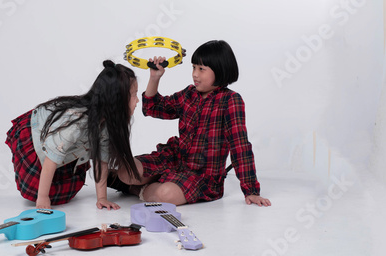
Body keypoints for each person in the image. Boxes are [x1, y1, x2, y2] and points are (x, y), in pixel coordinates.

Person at [112, 40, 271, 207]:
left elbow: (240, 146)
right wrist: (154, 78)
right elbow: (153, 108)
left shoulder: (231, 100)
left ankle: (137, 190)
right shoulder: (189, 93)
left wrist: (251, 190)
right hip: (175, 160)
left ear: (220, 70)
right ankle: (141, 182)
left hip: (201, 175)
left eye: (201, 69)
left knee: (165, 195)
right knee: (126, 171)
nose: (195, 74)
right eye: (194, 67)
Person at [5, 60, 140, 210]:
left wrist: (102, 198)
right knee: (35, 189)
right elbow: (51, 158)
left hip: (64, 146)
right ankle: (42, 191)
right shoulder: (76, 124)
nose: (137, 100)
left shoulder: (106, 125)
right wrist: (42, 198)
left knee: (68, 191)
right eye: (134, 95)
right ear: (116, 101)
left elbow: (101, 160)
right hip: (35, 134)